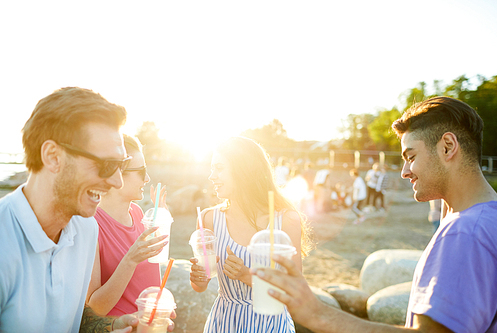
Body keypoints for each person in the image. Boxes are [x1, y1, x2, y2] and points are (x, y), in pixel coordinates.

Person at [252, 96, 497, 332]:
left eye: (411, 156)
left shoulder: (465, 233)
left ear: (447, 147)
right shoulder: (488, 219)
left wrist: (319, 315)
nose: (405, 171)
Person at [0, 87, 173, 332]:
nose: (117, 181)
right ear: (53, 157)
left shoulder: (86, 229)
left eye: (121, 165)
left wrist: (111, 326)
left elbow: (74, 316)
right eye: (106, 165)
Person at [189, 136, 313, 333]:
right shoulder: (208, 219)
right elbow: (201, 285)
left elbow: (295, 288)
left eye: (219, 168)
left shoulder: (287, 220)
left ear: (243, 170)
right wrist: (199, 278)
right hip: (223, 324)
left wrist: (246, 275)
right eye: (212, 168)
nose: (211, 176)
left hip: (271, 325)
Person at [86, 134, 169, 316]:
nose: (147, 178)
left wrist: (161, 218)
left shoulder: (138, 213)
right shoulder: (90, 226)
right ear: (116, 173)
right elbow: (95, 309)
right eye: (141, 170)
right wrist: (130, 260)